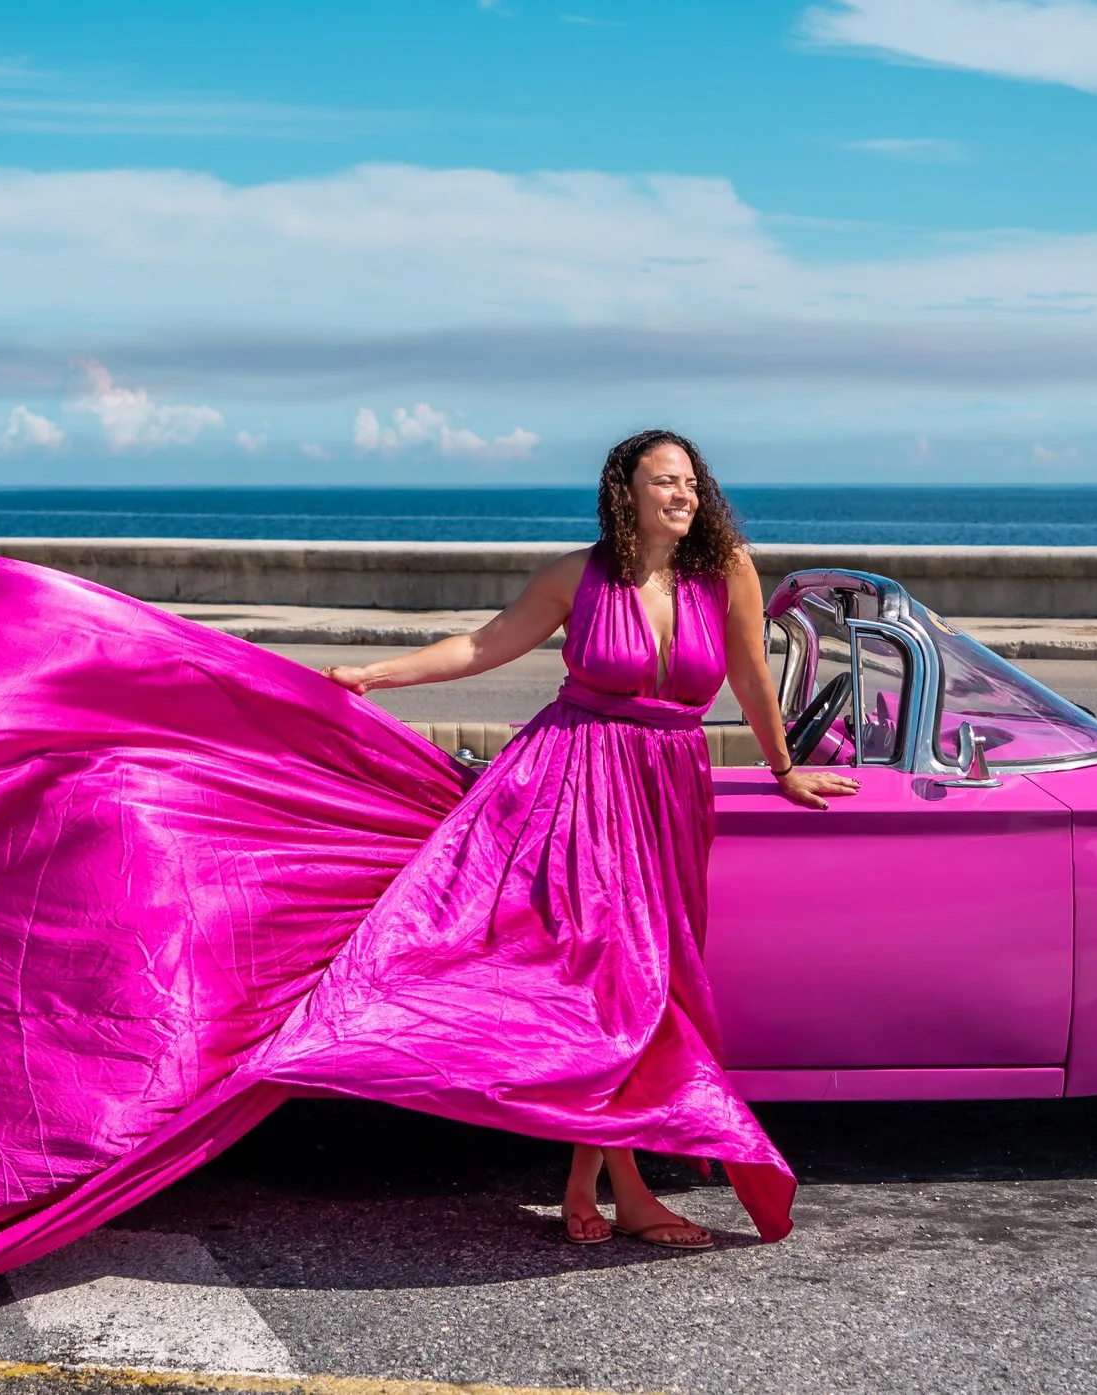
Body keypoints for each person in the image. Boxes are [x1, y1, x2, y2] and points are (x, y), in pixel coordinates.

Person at [319, 429, 857, 1248]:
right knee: (612, 975)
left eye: (690, 481)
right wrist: (374, 676)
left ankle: (590, 1178)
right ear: (627, 493)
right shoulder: (579, 574)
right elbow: (485, 644)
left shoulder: (727, 571)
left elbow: (750, 674)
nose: (683, 494)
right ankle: (622, 1187)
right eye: (665, 481)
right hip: (574, 783)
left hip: (669, 791)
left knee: (649, 981)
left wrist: (784, 767)